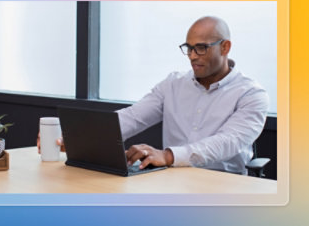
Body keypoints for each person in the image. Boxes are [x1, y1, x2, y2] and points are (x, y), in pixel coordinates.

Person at [37, 16, 269, 175]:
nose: (192, 56)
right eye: (188, 48)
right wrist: (80, 137)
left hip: (225, 186)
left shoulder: (251, 94)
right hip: (172, 181)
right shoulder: (173, 84)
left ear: (225, 47)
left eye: (201, 48)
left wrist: (168, 156)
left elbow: (227, 143)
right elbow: (133, 117)